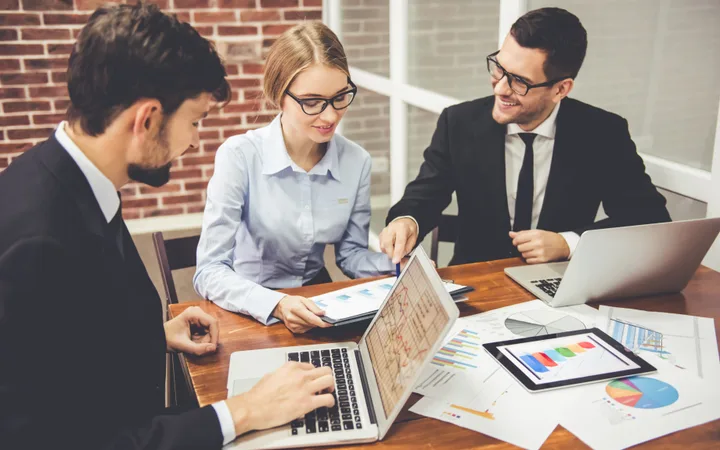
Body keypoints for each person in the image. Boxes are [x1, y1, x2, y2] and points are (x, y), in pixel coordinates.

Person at [0, 4, 334, 449]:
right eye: (194, 121)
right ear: (147, 119)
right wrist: (246, 411)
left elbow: (68, 348)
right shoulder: (36, 241)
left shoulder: (70, 178)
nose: (196, 141)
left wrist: (152, 337)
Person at [379, 7, 670, 266]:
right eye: (499, 68)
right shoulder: (458, 123)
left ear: (560, 89)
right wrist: (407, 220)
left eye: (519, 81)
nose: (500, 88)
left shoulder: (603, 133)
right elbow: (425, 195)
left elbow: (649, 219)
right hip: (476, 283)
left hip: (562, 286)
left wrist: (568, 243)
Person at [194, 22, 395, 334]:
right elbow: (209, 271)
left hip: (318, 306)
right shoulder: (239, 156)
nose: (330, 116)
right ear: (279, 95)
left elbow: (351, 256)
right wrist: (276, 303)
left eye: (340, 97)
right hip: (248, 306)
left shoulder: (357, 161)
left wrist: (399, 265)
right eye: (312, 102)